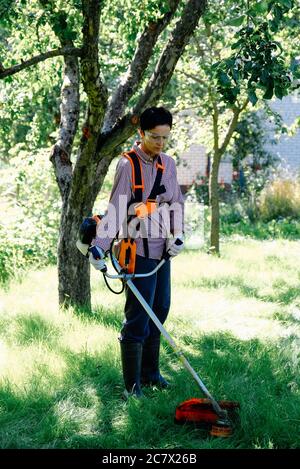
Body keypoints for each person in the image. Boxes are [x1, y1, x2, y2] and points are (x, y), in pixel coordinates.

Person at [87, 107, 184, 399]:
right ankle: (132, 388)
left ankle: (151, 375)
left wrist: (177, 236)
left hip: (161, 251)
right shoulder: (127, 165)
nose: (160, 143)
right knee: (138, 318)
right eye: (155, 137)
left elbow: (176, 203)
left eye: (165, 137)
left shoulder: (169, 164)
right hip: (136, 251)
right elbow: (116, 210)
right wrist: (99, 247)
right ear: (140, 133)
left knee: (160, 310)